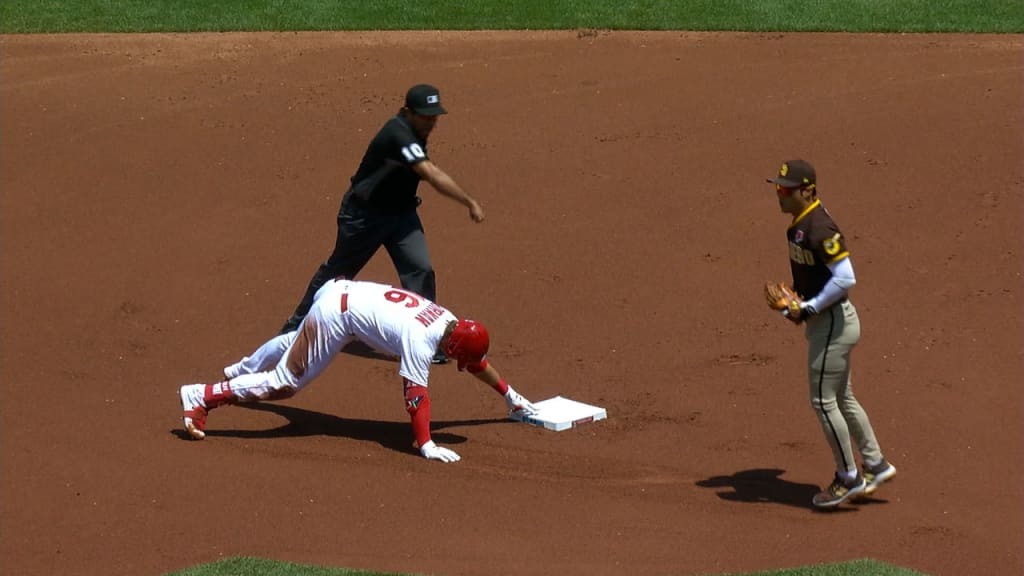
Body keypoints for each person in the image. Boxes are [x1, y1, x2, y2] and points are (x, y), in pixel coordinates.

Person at [179, 278, 538, 462]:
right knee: (286, 383)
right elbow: (415, 395)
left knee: (295, 345)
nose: (459, 363)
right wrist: (426, 443)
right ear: (454, 345)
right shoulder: (422, 338)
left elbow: (476, 361)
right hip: (336, 317)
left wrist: (510, 395)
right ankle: (203, 396)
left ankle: (241, 368)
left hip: (340, 291)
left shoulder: (448, 321)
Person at [279, 83, 485, 367]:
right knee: (339, 272)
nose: (431, 121)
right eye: (424, 116)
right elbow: (430, 173)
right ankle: (296, 325)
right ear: (406, 112)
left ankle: (431, 338)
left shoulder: (415, 131)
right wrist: (468, 201)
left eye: (433, 116)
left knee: (420, 269)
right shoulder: (397, 134)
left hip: (401, 216)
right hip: (364, 217)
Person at [767, 159, 897, 508]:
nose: (779, 195)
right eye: (778, 188)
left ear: (807, 190)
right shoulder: (799, 226)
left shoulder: (820, 227)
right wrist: (793, 307)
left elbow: (846, 277)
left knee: (823, 402)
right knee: (843, 398)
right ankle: (876, 464)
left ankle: (847, 477)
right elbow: (813, 281)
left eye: (786, 189)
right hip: (828, 322)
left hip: (833, 325)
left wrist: (808, 308)